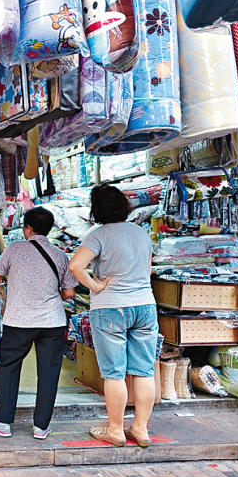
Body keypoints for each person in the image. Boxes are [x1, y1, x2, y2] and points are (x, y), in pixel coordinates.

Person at [69, 184, 158, 448]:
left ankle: (116, 430)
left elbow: (75, 266)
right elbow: (148, 269)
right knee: (144, 371)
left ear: (96, 209)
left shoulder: (99, 234)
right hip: (144, 305)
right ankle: (140, 429)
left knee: (114, 374)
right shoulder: (141, 233)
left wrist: (95, 285)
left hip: (111, 307)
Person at [0, 207, 77, 440]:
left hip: (19, 320)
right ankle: (41, 427)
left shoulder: (15, 249)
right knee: (49, 372)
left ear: (28, 228)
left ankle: (3, 422)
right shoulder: (59, 254)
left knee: (9, 367)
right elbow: (69, 293)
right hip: (52, 321)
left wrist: (12, 281)